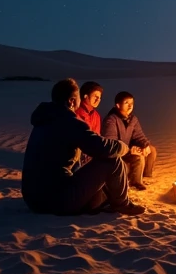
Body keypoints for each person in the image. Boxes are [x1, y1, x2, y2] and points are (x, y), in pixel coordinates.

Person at [21, 78, 145, 216]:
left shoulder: (43, 120)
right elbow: (101, 148)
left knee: (99, 195)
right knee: (112, 161)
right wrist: (125, 148)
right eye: (79, 97)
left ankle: (103, 202)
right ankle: (123, 205)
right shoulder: (69, 122)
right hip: (57, 199)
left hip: (33, 200)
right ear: (72, 101)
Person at [102, 91, 157, 190]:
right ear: (118, 105)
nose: (130, 106)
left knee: (151, 150)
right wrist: (129, 150)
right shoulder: (111, 120)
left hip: (128, 149)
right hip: (118, 152)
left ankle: (145, 177)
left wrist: (145, 145)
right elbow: (111, 143)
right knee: (138, 157)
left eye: (132, 103)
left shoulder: (133, 119)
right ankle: (135, 182)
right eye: (126, 103)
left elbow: (139, 135)